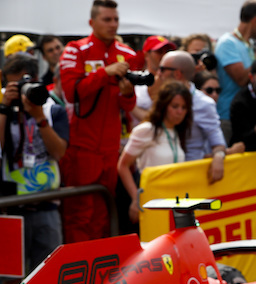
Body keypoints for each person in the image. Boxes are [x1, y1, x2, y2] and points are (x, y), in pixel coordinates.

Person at [59, 0, 137, 242]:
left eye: (116, 19)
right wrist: (105, 72)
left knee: (104, 214)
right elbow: (71, 93)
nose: (113, 24)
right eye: (107, 19)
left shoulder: (128, 54)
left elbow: (129, 106)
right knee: (80, 216)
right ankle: (79, 273)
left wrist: (127, 93)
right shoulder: (75, 50)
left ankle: (102, 272)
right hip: (82, 148)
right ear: (92, 22)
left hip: (110, 150)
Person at [0, 53, 68, 284]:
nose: (21, 91)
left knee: (48, 278)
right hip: (11, 207)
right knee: (10, 281)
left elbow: (59, 151)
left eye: (24, 84)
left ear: (36, 79)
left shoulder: (53, 109)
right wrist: (5, 108)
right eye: (14, 85)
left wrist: (39, 117)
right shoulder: (3, 109)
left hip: (46, 204)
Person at [118, 81, 192, 224]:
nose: (180, 112)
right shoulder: (147, 129)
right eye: (175, 106)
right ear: (163, 106)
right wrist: (136, 198)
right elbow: (123, 165)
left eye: (184, 107)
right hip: (151, 203)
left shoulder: (177, 131)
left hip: (173, 203)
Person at [158, 50, 238, 178]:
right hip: (161, 172)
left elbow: (217, 141)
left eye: (162, 69)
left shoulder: (204, 104)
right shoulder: (159, 95)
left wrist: (218, 158)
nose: (159, 73)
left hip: (189, 174)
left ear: (177, 74)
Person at [215, 0, 256, 130]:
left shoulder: (250, 45)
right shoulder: (227, 43)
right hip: (228, 116)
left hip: (249, 114)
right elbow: (241, 79)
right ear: (255, 20)